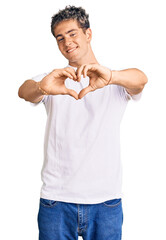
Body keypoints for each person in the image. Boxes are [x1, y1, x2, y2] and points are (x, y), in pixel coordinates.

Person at [18, 5, 148, 240]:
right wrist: (41, 88)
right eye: (60, 37)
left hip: (106, 202)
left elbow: (140, 79)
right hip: (56, 201)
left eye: (72, 33)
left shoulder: (113, 79)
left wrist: (111, 77)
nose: (66, 42)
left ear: (88, 34)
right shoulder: (53, 79)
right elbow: (24, 91)